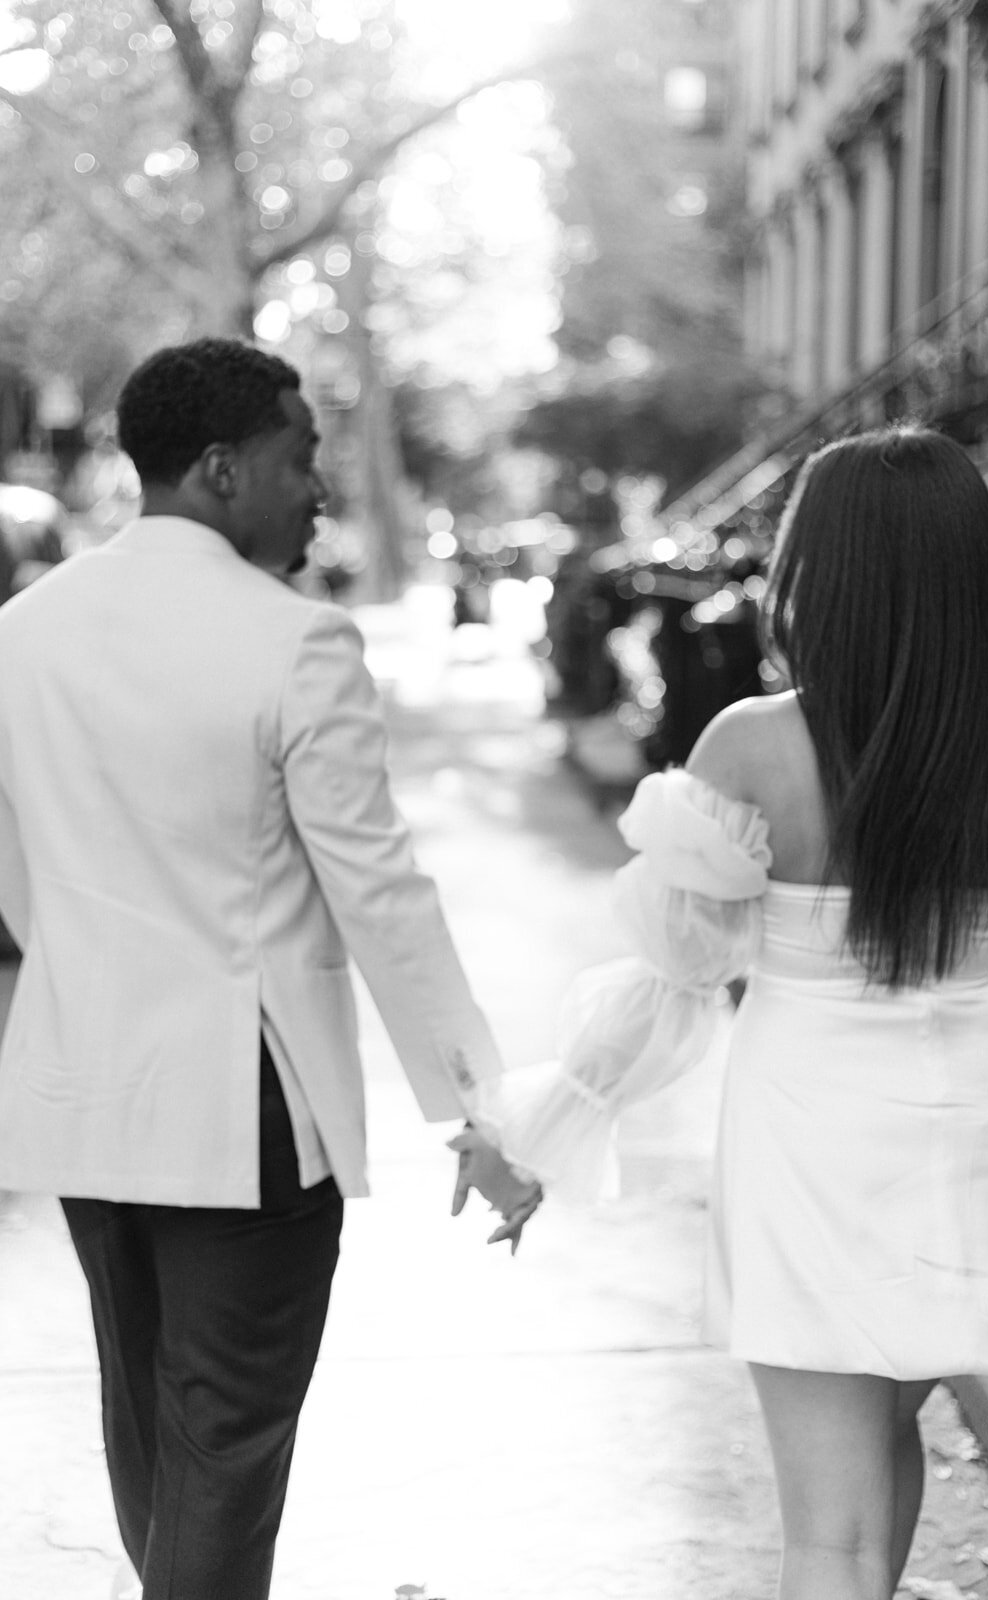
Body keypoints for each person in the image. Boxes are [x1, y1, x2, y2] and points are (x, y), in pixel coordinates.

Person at [473, 426, 988, 1600]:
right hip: (964, 1134)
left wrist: (531, 1136)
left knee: (824, 1535)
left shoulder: (752, 746)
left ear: (817, 573)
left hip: (810, 1135)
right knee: (882, 1441)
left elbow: (672, 974)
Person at [0, 337, 540, 1600]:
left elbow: (12, 875)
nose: (320, 491)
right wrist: (483, 1108)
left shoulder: (20, 632)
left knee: (152, 1426)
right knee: (224, 1447)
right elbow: (381, 899)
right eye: (302, 460)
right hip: (240, 1112)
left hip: (82, 1090)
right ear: (223, 467)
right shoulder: (297, 641)